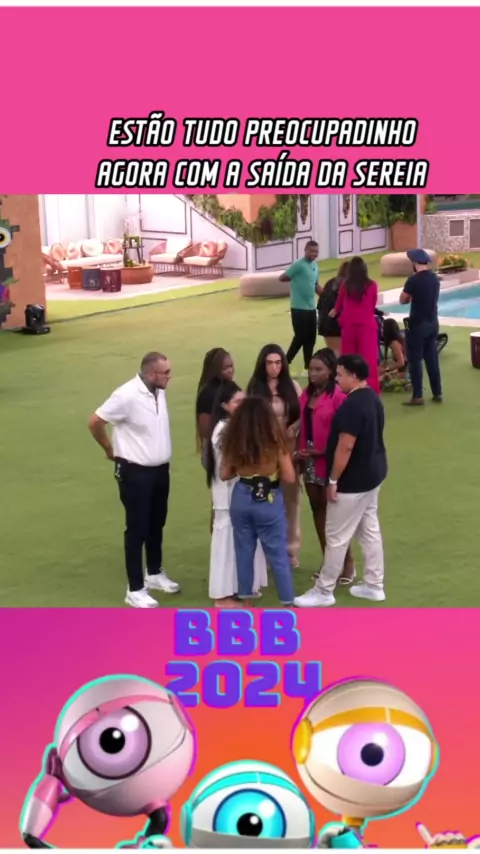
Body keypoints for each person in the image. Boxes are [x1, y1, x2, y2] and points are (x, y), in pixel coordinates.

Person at [88, 352, 180, 608]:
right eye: (165, 372)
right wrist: (109, 449)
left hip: (159, 470)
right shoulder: (126, 395)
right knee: (137, 528)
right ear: (150, 374)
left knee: (157, 522)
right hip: (135, 471)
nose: (169, 376)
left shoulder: (158, 391)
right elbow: (95, 421)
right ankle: (135, 588)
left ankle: (154, 573)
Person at [294, 354, 387, 608]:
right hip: (373, 476)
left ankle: (324, 590)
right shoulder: (372, 398)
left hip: (352, 483)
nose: (337, 379)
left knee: (336, 536)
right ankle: (374, 585)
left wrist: (333, 479)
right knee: (369, 531)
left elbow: (345, 447)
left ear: (354, 376)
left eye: (341, 374)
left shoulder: (351, 406)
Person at [220, 397, 296, 606]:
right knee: (278, 554)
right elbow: (290, 477)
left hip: (241, 497)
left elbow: (224, 474)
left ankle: (247, 603)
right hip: (268, 498)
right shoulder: (274, 440)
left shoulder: (235, 440)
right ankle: (288, 603)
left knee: (244, 552)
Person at [295, 349, 355, 585]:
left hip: (328, 460)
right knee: (317, 511)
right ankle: (329, 562)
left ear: (330, 371)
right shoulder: (306, 394)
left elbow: (344, 433)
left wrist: (322, 451)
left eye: (318, 369)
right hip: (309, 460)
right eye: (311, 369)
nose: (312, 373)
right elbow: (303, 421)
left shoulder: (339, 397)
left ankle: (347, 563)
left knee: (334, 516)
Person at [205, 381, 268, 607]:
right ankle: (222, 596)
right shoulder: (223, 430)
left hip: (240, 494)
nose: (242, 405)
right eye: (237, 402)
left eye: (243, 400)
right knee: (226, 544)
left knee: (242, 541)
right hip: (228, 495)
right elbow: (231, 465)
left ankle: (242, 587)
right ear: (224, 405)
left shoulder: (233, 426)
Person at [247, 344, 302, 567]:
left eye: (278, 363)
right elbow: (248, 419)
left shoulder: (292, 387)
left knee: (291, 501)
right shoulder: (255, 388)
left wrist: (294, 428)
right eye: (269, 363)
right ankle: (266, 551)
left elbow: (303, 414)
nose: (274, 367)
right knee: (264, 501)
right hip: (265, 454)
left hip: (288, 451)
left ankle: (290, 549)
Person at [329, 256, 381, 394]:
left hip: (349, 326)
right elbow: (373, 304)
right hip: (366, 326)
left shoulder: (346, 286)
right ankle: (370, 392)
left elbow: (338, 305)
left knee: (348, 361)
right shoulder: (372, 285)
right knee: (368, 361)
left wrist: (334, 313)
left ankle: (347, 390)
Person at [400, 248, 443, 406]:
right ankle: (437, 392)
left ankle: (418, 396)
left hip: (417, 325)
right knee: (432, 360)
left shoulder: (413, 280)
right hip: (432, 323)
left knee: (415, 361)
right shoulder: (434, 278)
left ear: (414, 262)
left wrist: (411, 296)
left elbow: (402, 300)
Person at [280, 240, 321, 376]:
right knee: (300, 337)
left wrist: (327, 296)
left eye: (316, 252)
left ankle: (307, 368)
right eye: (311, 251)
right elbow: (282, 277)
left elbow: (316, 285)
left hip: (311, 308)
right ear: (305, 250)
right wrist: (296, 282)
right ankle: (285, 363)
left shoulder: (315, 266)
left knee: (311, 338)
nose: (314, 254)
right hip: (298, 308)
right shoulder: (298, 265)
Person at [195, 348, 235, 464]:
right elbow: (205, 431)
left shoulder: (231, 387)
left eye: (231, 366)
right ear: (214, 370)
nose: (230, 371)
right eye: (225, 368)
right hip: (215, 450)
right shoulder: (208, 393)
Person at [317, 261, 350, 356]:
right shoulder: (348, 285)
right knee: (343, 356)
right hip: (337, 325)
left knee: (335, 353)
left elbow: (320, 305)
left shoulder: (330, 282)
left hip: (324, 324)